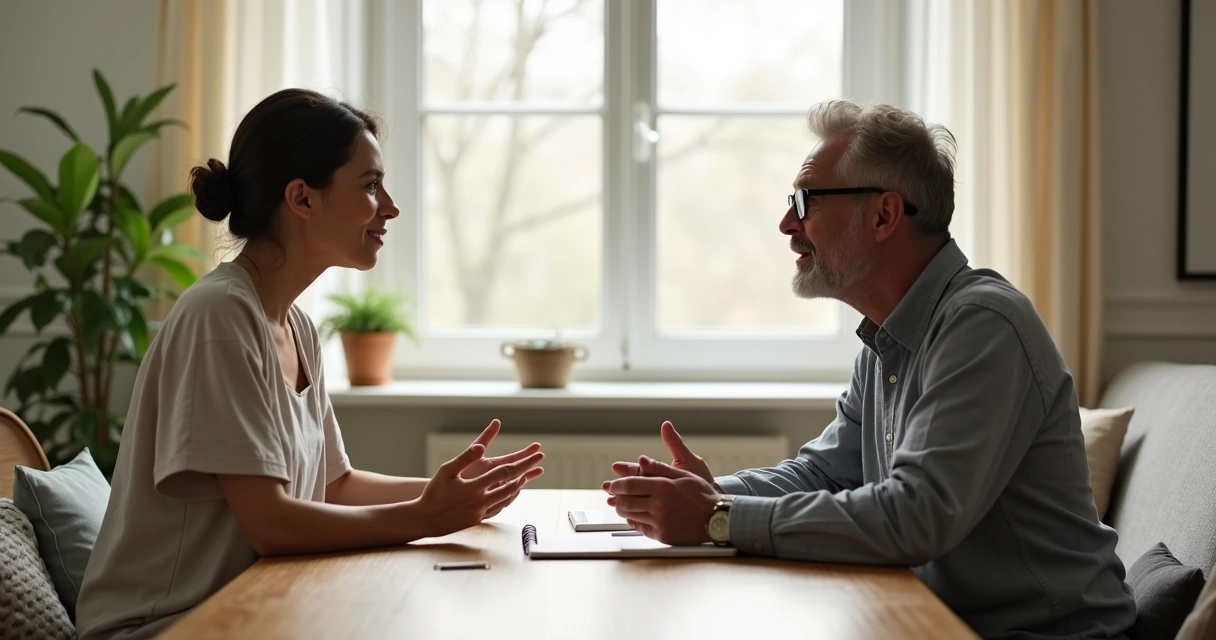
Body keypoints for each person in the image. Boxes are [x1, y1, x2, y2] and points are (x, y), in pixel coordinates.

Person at [603, 100, 1137, 639]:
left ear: (883, 215)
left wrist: (718, 516)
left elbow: (916, 516)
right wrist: (711, 491)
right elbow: (825, 473)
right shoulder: (887, 339)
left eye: (806, 200)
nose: (787, 224)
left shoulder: (983, 325)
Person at [76, 89, 544, 640]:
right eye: (370, 185)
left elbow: (335, 484)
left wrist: (454, 492)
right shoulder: (219, 316)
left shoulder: (296, 326)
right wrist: (425, 516)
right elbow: (271, 523)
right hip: (163, 626)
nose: (390, 207)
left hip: (252, 608)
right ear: (301, 198)